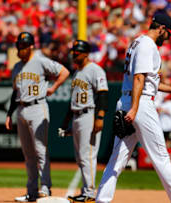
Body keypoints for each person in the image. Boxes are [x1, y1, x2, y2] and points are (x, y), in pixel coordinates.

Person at [96, 13, 171, 203]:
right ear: (161, 29)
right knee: (161, 157)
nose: (168, 39)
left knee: (117, 158)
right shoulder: (148, 45)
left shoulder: (137, 42)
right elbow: (139, 78)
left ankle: (102, 199)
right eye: (168, 34)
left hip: (127, 102)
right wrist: (134, 108)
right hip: (139, 105)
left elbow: (148, 81)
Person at [5, 32, 70, 202]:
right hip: (21, 108)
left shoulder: (40, 60)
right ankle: (31, 191)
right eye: (19, 46)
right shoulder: (17, 67)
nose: (20, 49)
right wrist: (9, 114)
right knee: (28, 154)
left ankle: (45, 187)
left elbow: (64, 71)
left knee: (41, 150)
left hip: (37, 107)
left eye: (23, 46)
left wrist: (54, 87)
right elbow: (15, 92)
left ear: (31, 46)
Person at [60, 40, 108, 203]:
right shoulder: (77, 72)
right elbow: (72, 101)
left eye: (77, 52)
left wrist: (100, 117)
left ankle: (89, 192)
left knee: (87, 156)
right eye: (73, 51)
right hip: (77, 116)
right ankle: (86, 190)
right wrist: (65, 123)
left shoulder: (95, 70)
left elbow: (103, 94)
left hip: (89, 114)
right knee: (80, 157)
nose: (74, 54)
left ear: (86, 54)